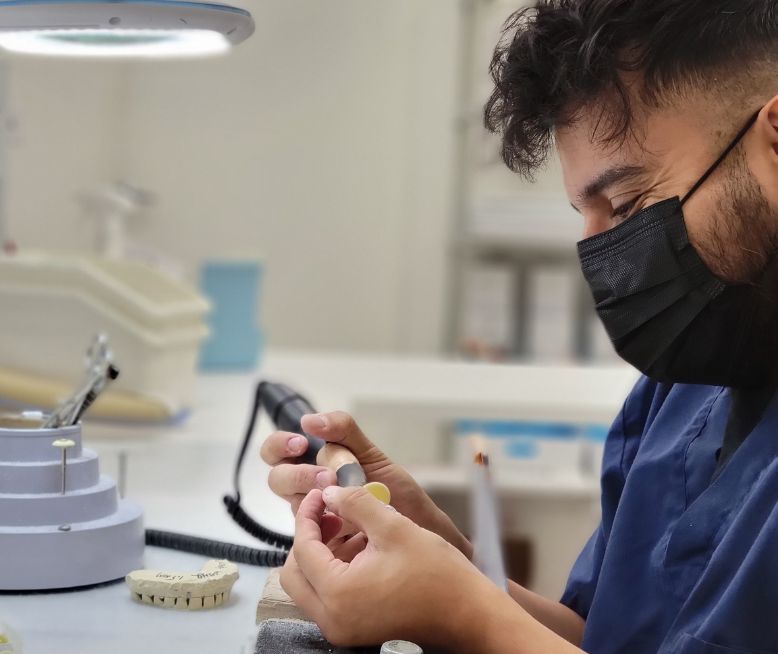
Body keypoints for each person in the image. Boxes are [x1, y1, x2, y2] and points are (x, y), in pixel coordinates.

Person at [260, 1, 778, 652]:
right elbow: (601, 641)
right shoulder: (685, 386)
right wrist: (437, 551)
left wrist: (463, 616)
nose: (599, 258)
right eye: (583, 214)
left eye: (626, 203)